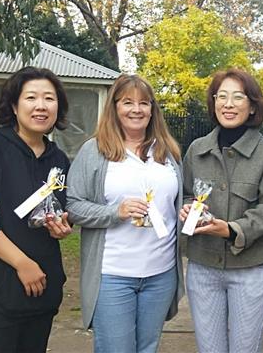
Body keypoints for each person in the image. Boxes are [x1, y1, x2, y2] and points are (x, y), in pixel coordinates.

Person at [0, 66, 74, 353]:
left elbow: (61, 209)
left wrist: (62, 226)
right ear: (14, 105)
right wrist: (22, 263)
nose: (41, 106)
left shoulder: (59, 160)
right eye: (31, 97)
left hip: (41, 293)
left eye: (50, 98)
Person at [66, 74, 184, 353]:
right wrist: (114, 212)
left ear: (153, 109)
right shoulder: (94, 151)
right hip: (113, 275)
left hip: (161, 273)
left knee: (147, 348)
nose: (136, 109)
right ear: (114, 107)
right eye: (127, 102)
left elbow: (181, 199)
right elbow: (73, 204)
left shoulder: (168, 152)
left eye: (144, 103)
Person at [178, 68, 263, 353]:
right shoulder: (197, 150)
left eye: (238, 97)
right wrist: (186, 209)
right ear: (213, 103)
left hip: (250, 270)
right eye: (221, 96)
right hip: (203, 268)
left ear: (252, 105)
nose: (228, 104)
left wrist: (230, 229)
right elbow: (186, 193)